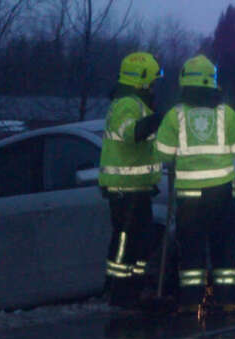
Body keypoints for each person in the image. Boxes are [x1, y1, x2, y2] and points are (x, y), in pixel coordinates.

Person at [155, 54, 235, 315]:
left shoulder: (175, 116)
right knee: (224, 251)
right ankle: (227, 301)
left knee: (191, 254)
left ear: (185, 82)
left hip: (189, 201)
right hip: (222, 197)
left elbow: (161, 154)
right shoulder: (226, 115)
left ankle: (191, 302)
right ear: (212, 83)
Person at [99, 51, 164, 308]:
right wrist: (157, 121)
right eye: (153, 80)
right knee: (125, 240)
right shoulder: (127, 104)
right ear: (142, 80)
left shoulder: (137, 104)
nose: (155, 85)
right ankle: (120, 292)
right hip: (125, 190)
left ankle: (133, 289)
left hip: (137, 189)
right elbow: (131, 134)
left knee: (140, 241)